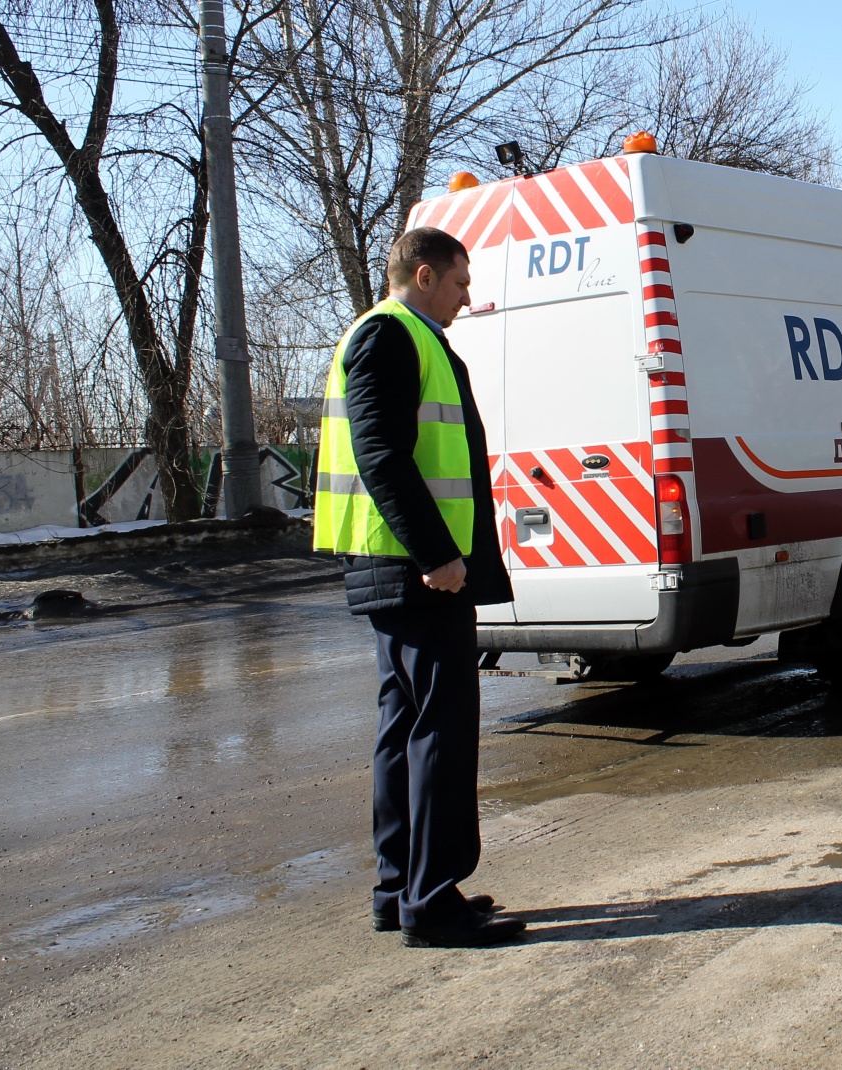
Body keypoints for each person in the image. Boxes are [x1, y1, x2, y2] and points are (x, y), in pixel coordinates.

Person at [314, 227, 524, 945]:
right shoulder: (390, 336)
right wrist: (437, 553)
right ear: (426, 274)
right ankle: (431, 904)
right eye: (462, 283)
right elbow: (382, 454)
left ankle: (402, 888)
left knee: (405, 726)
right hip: (415, 571)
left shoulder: (405, 336)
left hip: (405, 568)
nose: (469, 298)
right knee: (438, 726)